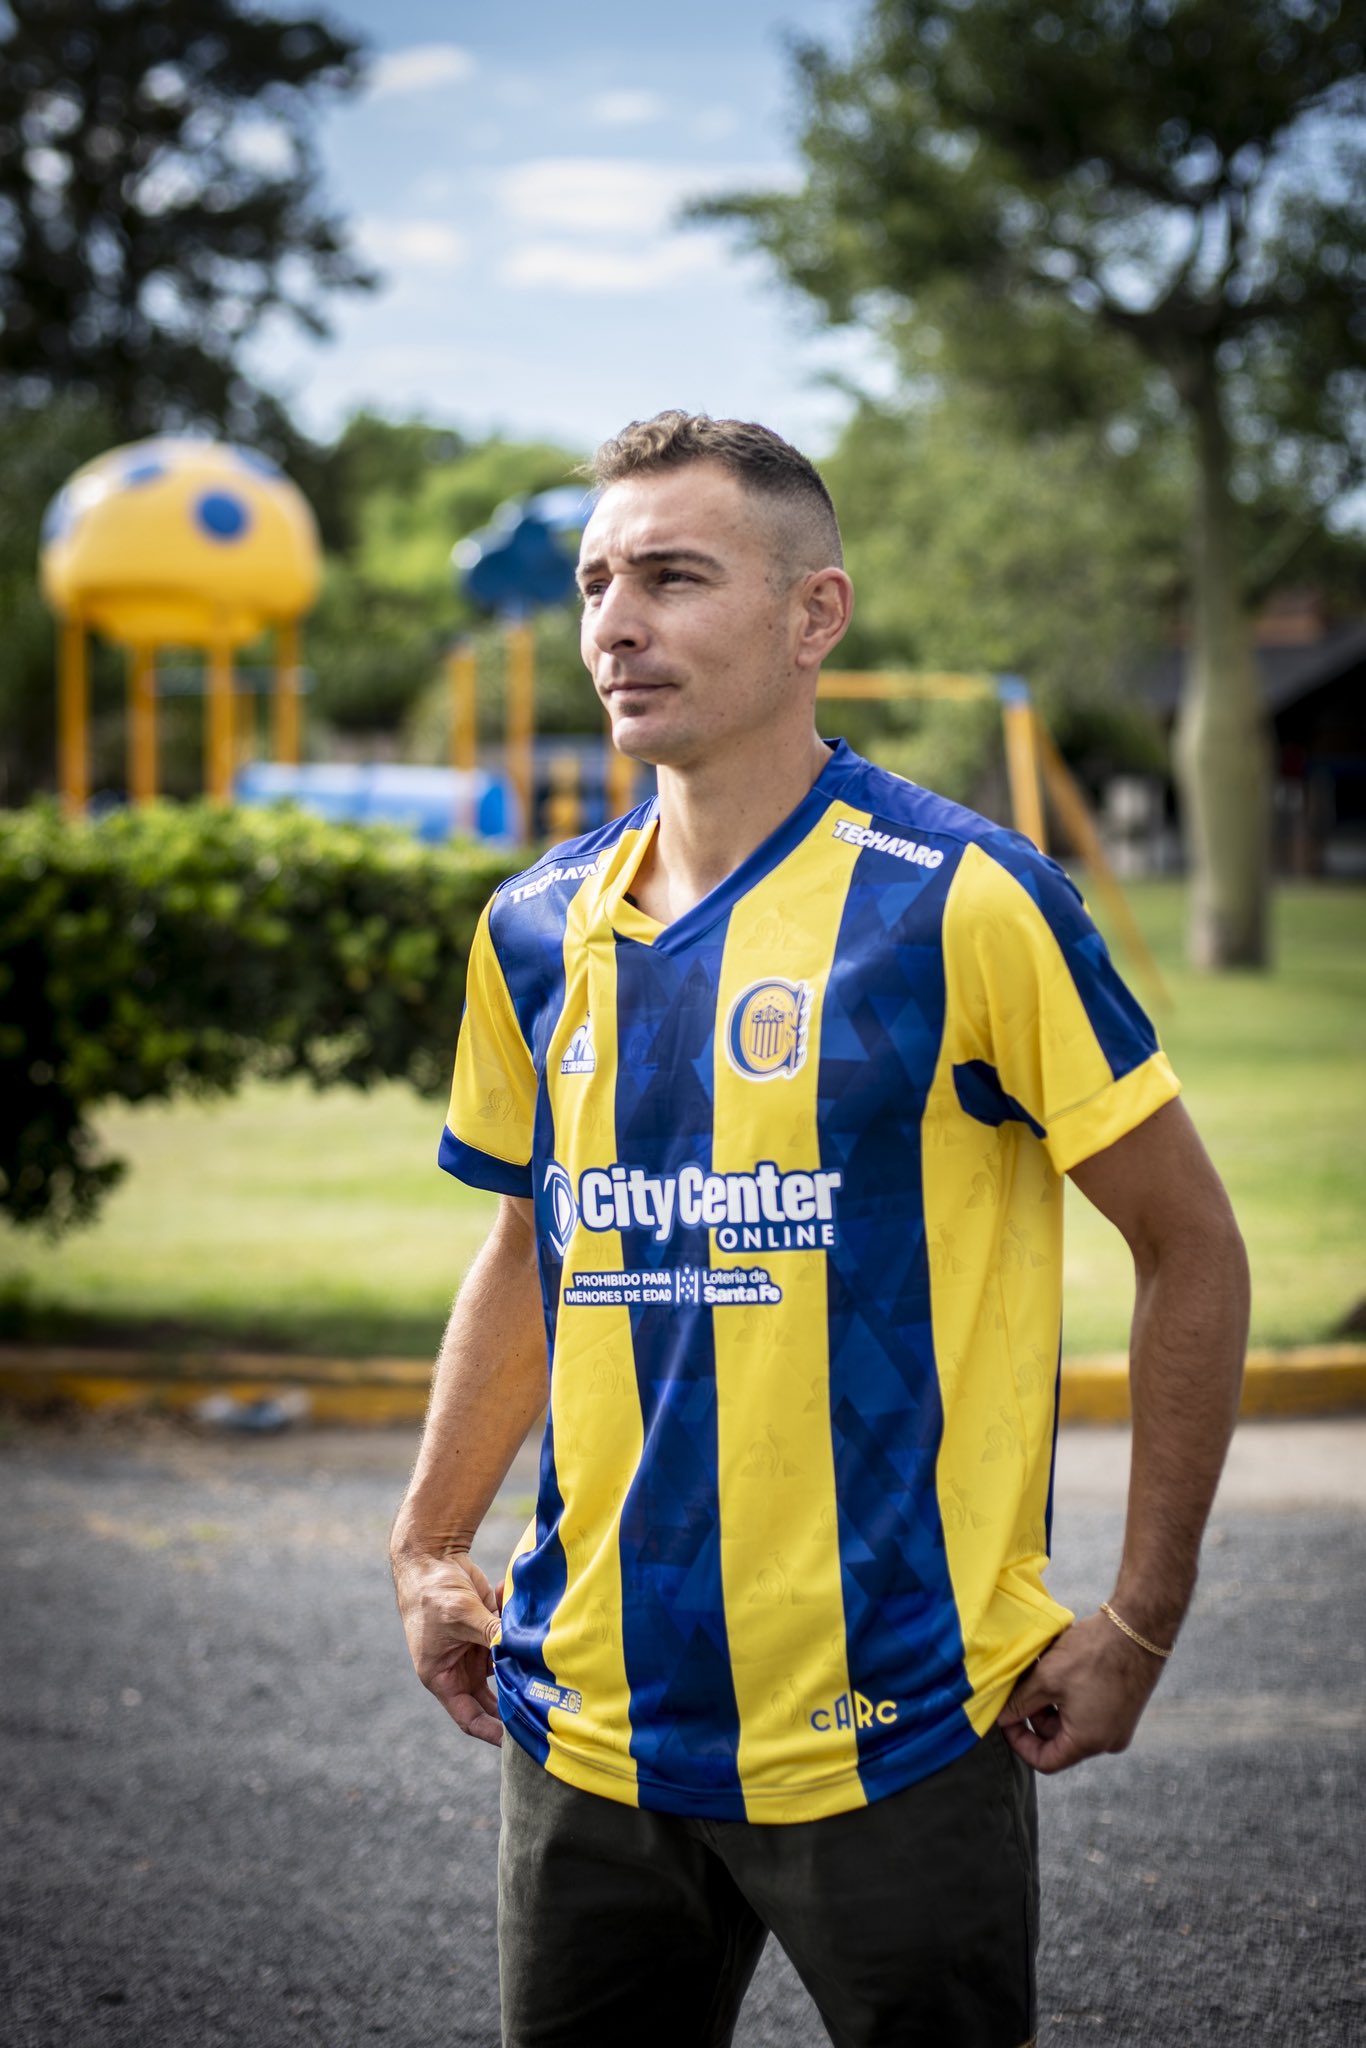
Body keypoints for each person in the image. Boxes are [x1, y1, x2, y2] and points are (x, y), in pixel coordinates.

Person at [391, 411, 1249, 2048]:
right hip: (586, 1725)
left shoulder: (962, 901)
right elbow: (529, 1249)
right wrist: (428, 1545)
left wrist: (1139, 1617)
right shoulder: (528, 930)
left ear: (814, 617)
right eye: (593, 583)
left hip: (903, 1723)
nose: (613, 622)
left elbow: (1188, 1245)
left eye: (672, 575)